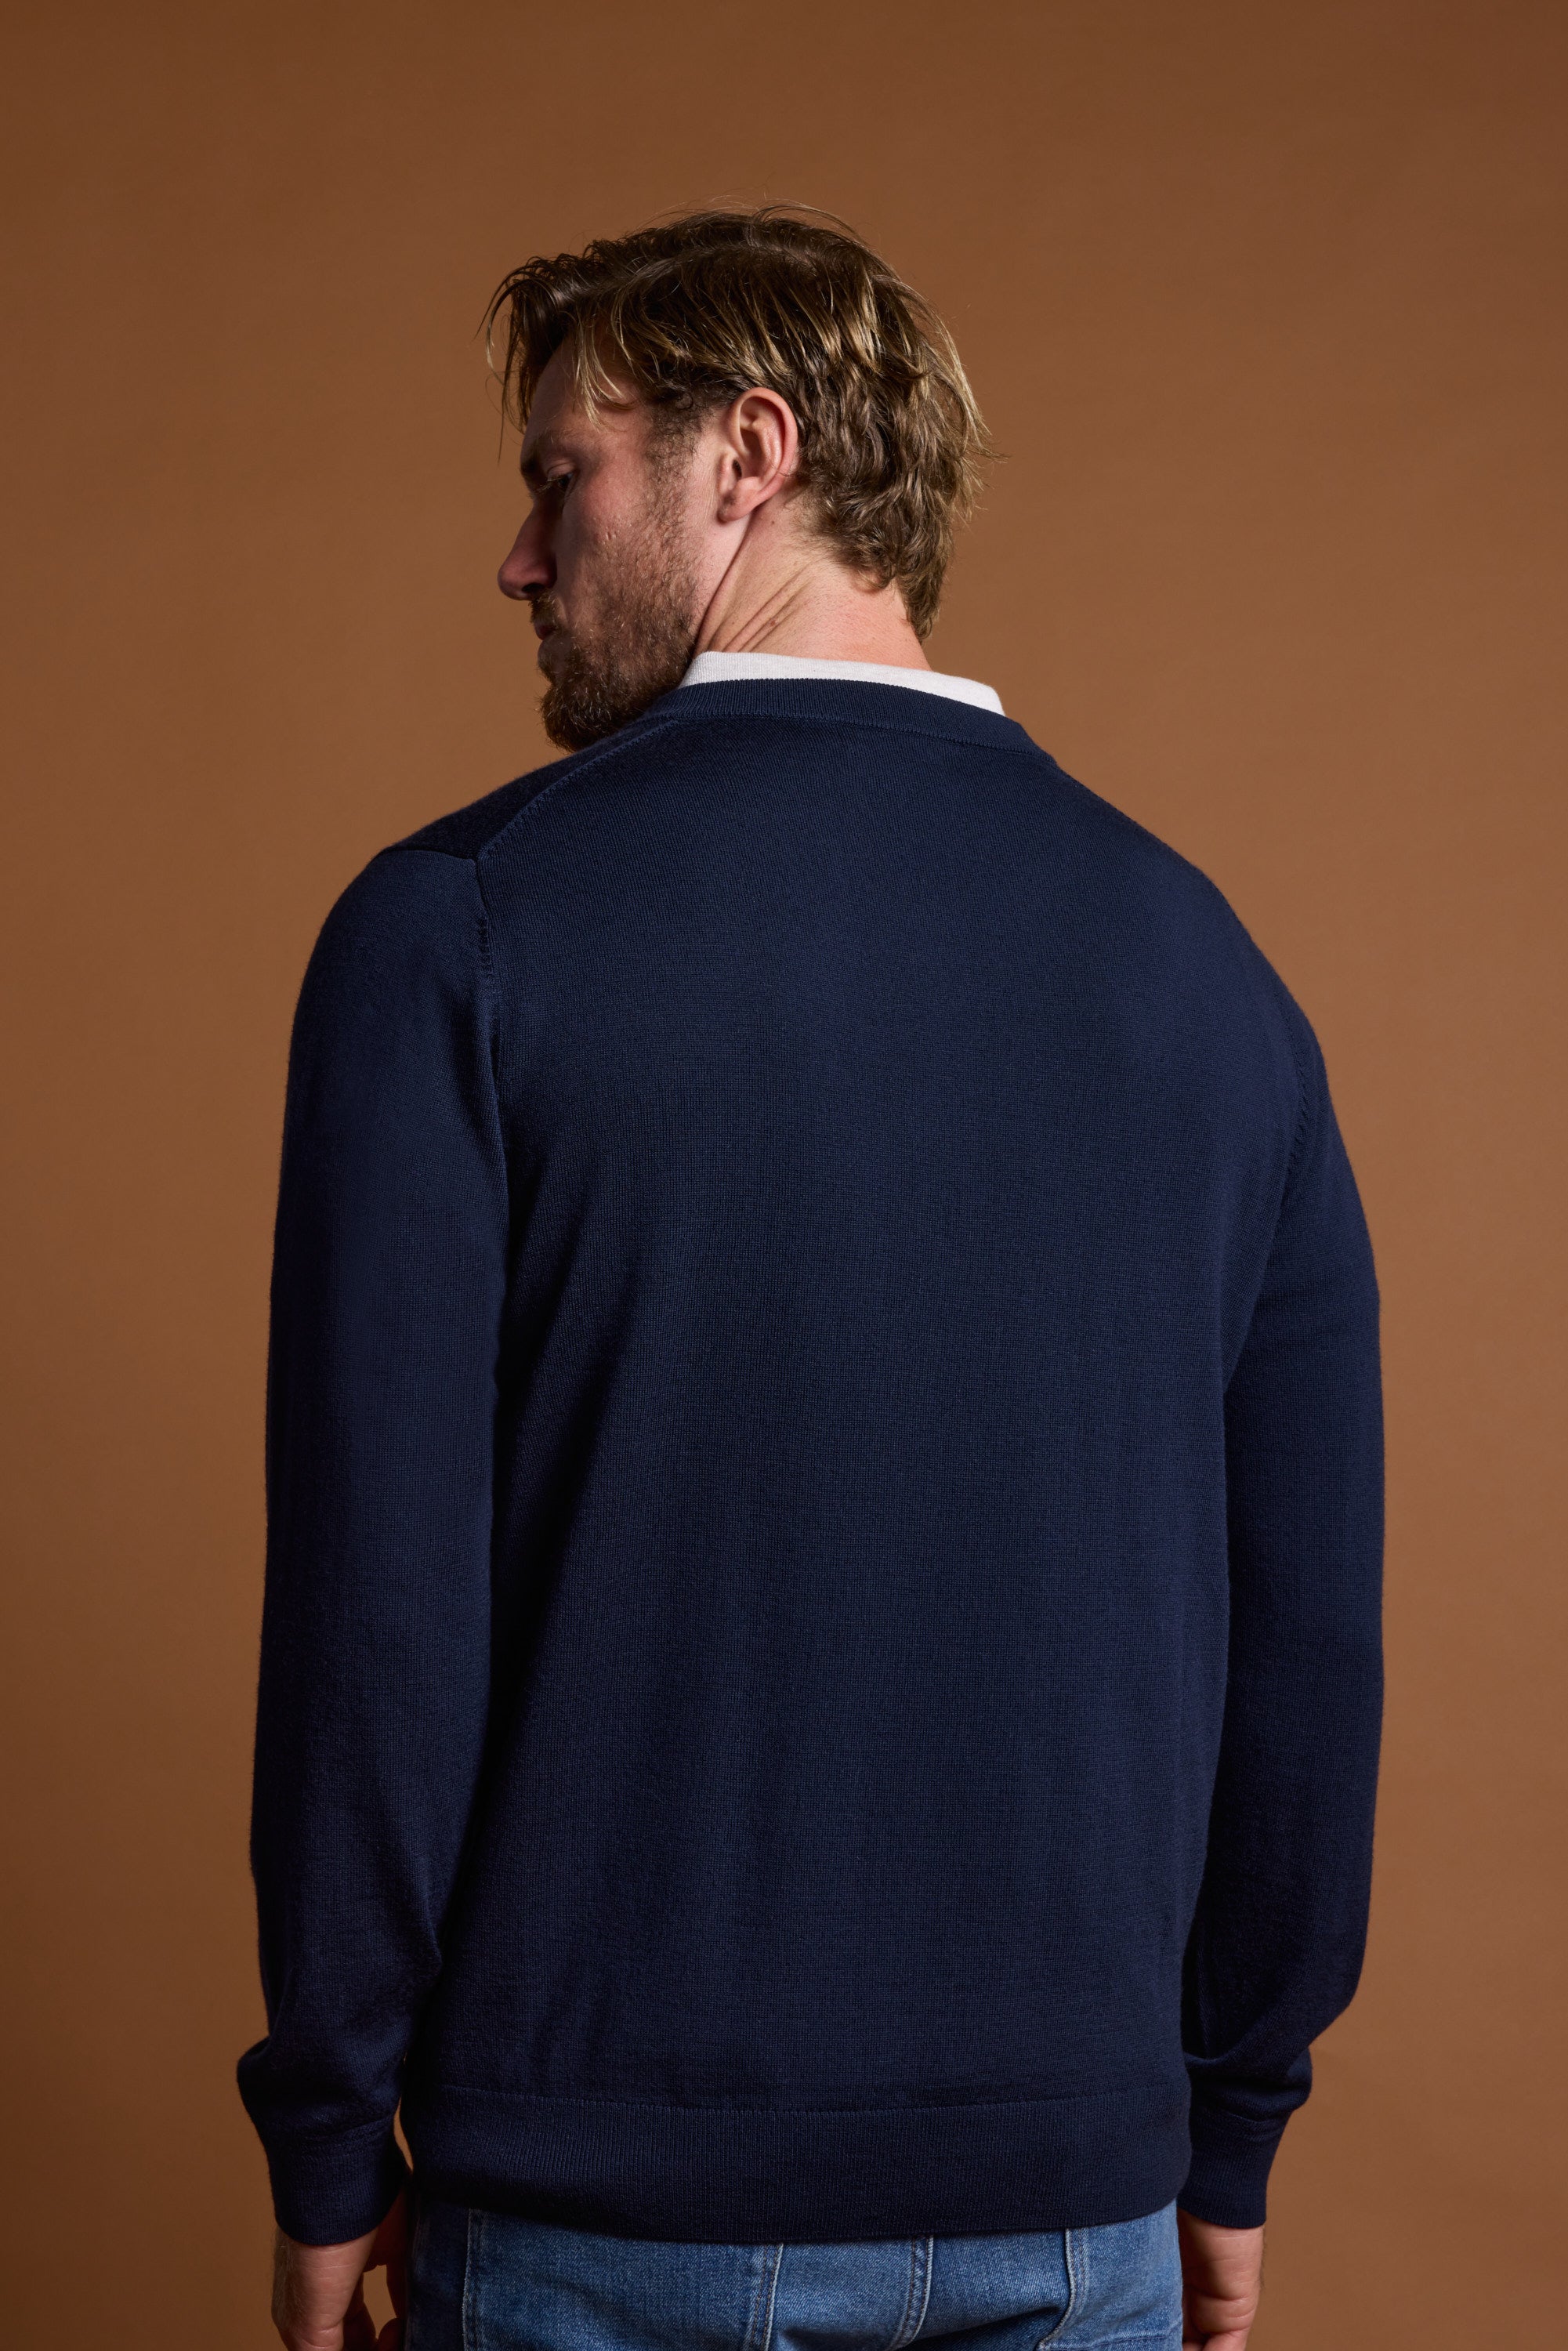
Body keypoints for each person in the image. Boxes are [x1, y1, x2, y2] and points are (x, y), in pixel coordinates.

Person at [241, 208, 1383, 2351]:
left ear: (742, 451)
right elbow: (1305, 1624)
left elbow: (379, 1613)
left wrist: (328, 2131)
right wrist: (1225, 2130)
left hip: (602, 2225)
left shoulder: (461, 931)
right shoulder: (1200, 969)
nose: (518, 555)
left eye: (555, 473)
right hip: (1075, 2220)